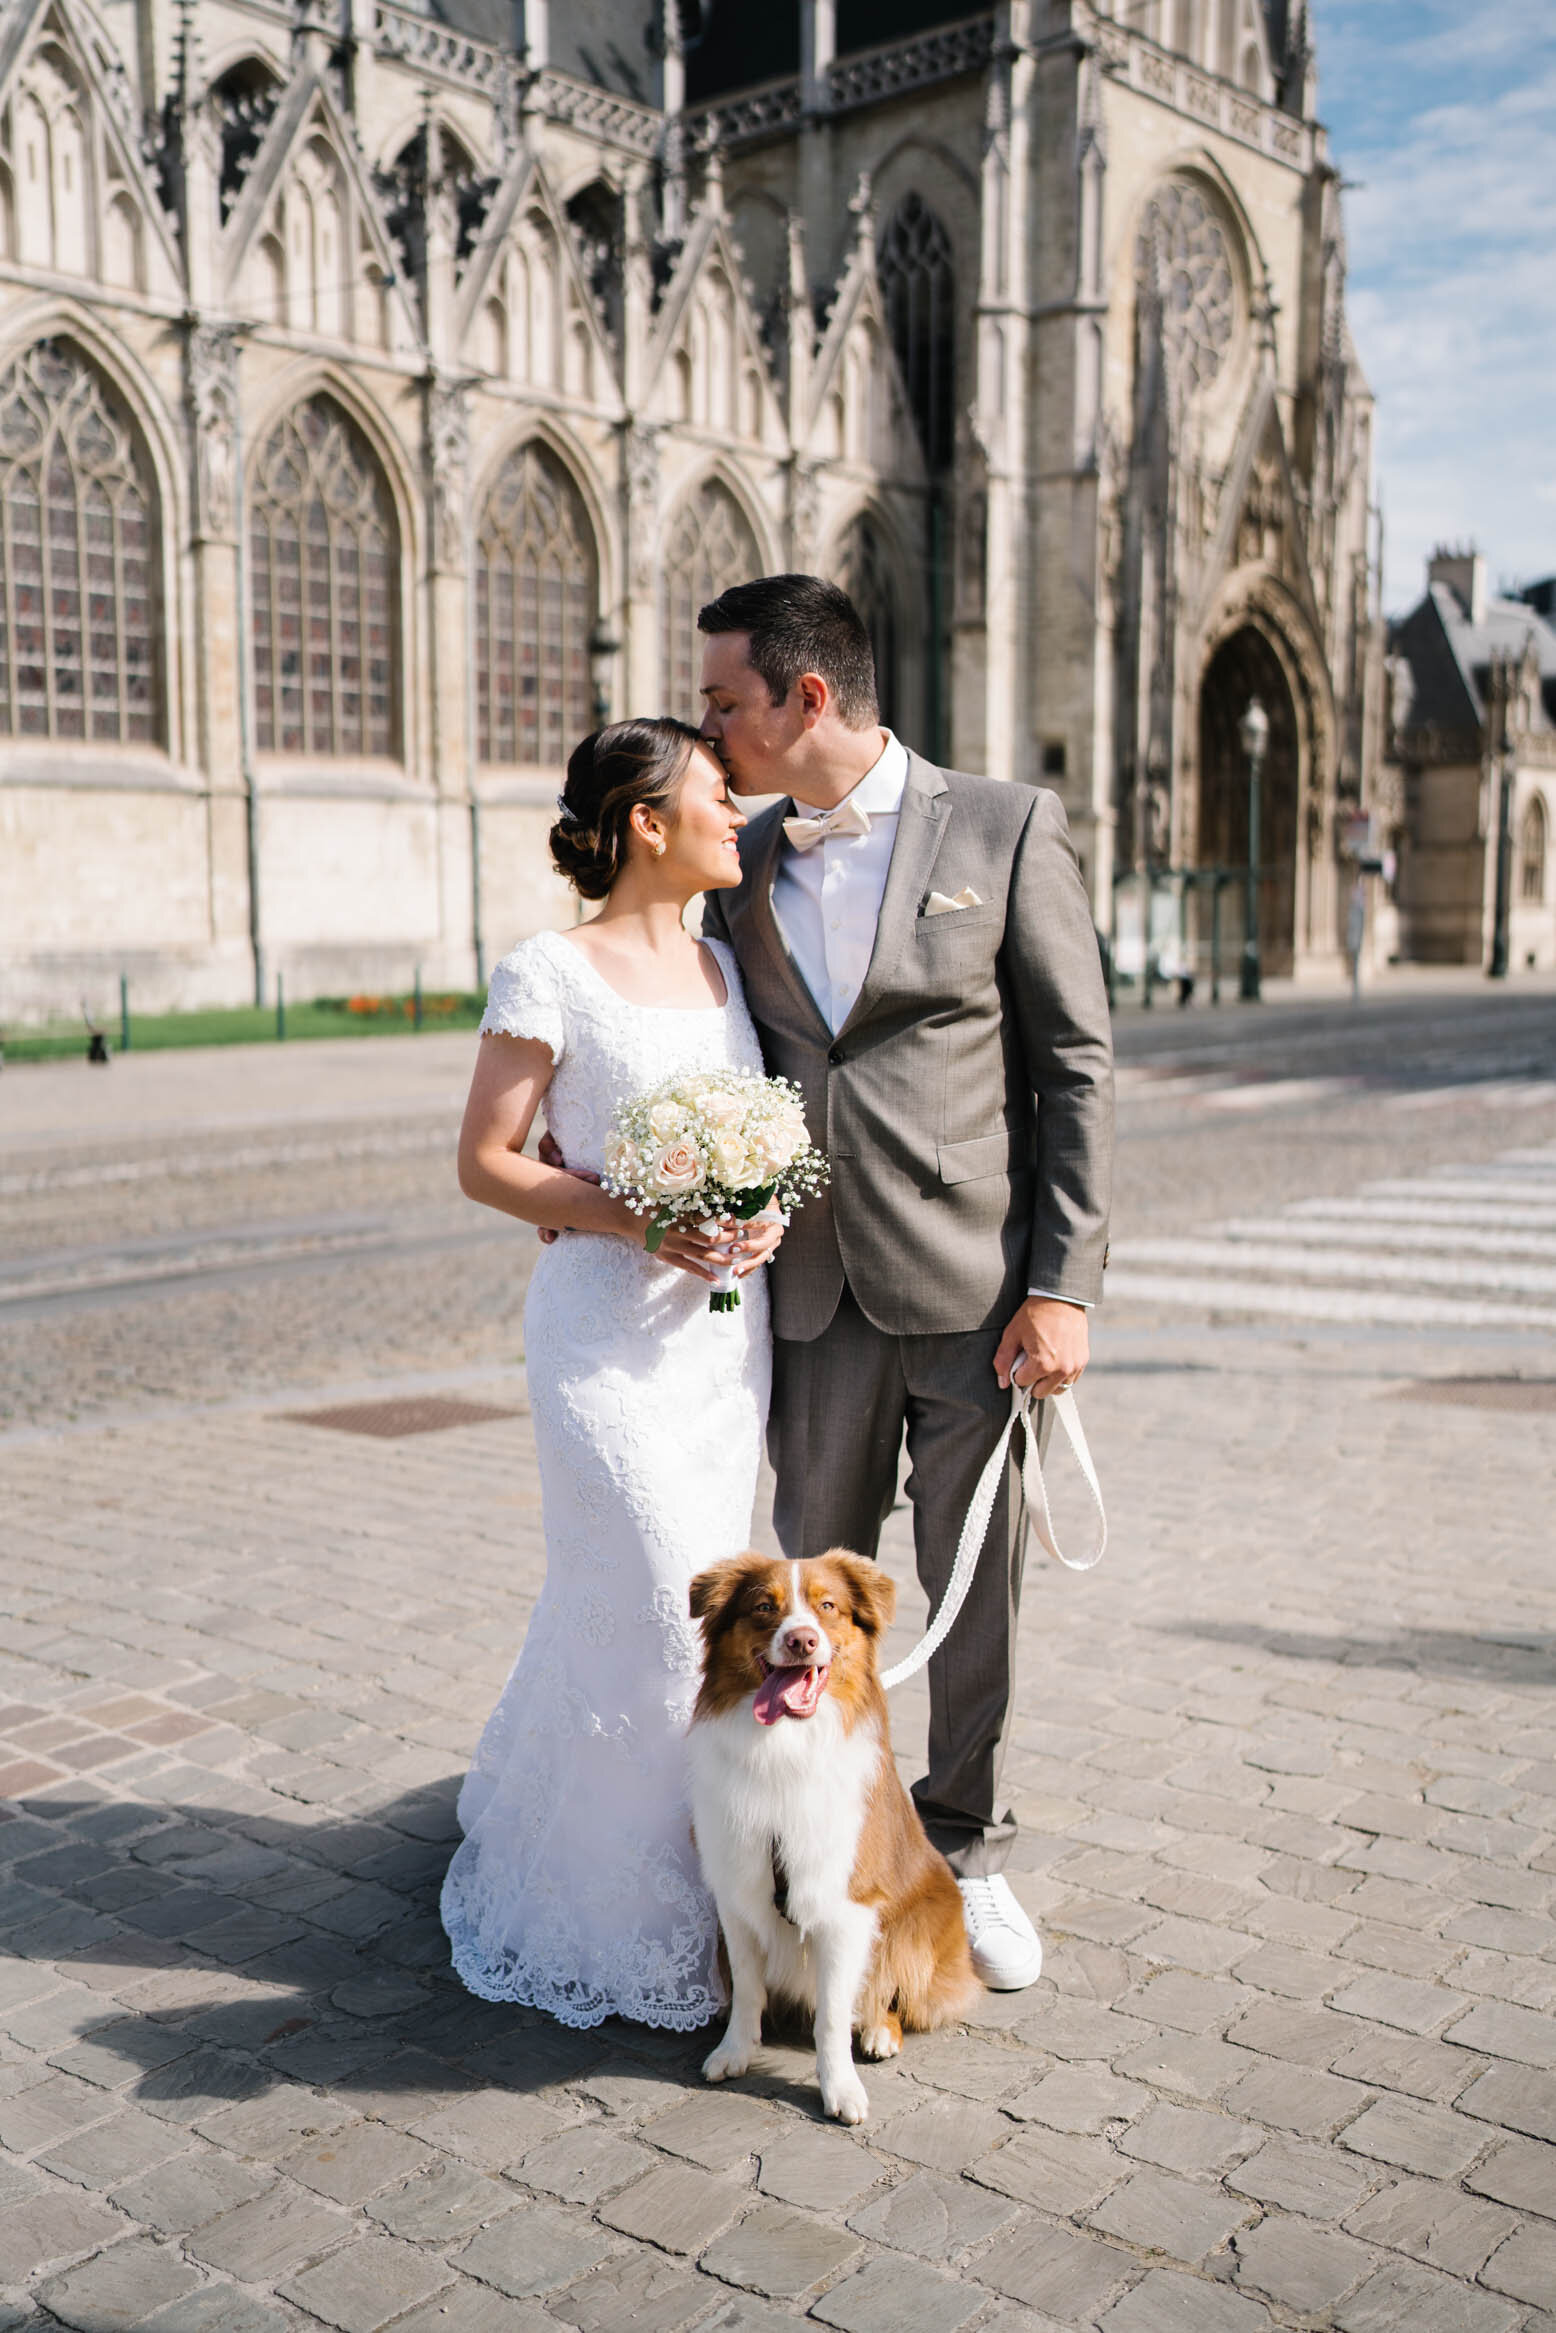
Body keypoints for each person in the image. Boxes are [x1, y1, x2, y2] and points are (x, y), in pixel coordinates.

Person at [698, 575, 1114, 1991]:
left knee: (972, 1591)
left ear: (807, 698)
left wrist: (1062, 1286)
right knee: (804, 1601)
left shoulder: (1002, 825)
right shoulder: (738, 856)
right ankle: (818, 1852)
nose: (712, 728)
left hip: (974, 1300)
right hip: (808, 1305)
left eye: (727, 703)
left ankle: (969, 1846)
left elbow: (1073, 1066)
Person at [440, 717, 782, 2031]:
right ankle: (606, 1911)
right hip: (601, 1337)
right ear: (650, 822)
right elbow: (487, 1159)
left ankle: (707, 1904)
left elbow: (757, 1137)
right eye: (717, 797)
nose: (736, 817)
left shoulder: (721, 970)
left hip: (713, 1342)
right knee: (649, 1591)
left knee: (695, 1611)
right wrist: (630, 1215)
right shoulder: (550, 970)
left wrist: (763, 1216)